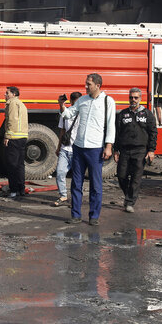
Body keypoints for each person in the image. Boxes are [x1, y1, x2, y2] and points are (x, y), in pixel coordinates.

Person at [59, 73, 116, 225]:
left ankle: (94, 216)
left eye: (89, 84)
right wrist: (62, 105)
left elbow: (111, 125)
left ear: (98, 85)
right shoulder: (82, 100)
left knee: (95, 185)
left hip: (95, 148)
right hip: (78, 147)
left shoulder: (107, 101)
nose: (86, 86)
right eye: (85, 83)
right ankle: (76, 215)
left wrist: (108, 146)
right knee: (76, 182)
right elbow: (69, 114)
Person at [113, 87, 157, 213]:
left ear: (140, 99)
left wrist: (151, 150)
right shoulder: (123, 114)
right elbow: (117, 132)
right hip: (124, 150)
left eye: (136, 97)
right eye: (131, 97)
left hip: (140, 151)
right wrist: (116, 150)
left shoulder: (148, 114)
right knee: (121, 176)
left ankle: (130, 202)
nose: (133, 100)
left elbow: (153, 132)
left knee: (136, 178)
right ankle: (128, 195)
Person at [52, 91, 82, 207]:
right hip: (65, 148)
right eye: (73, 101)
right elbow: (62, 131)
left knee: (76, 176)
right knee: (60, 172)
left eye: (77, 101)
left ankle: (75, 199)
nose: (75, 104)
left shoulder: (83, 114)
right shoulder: (65, 114)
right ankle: (63, 195)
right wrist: (59, 147)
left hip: (77, 149)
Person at [3, 86, 28, 199]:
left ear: (13, 94)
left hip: (14, 138)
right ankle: (21, 189)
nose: (5, 95)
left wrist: (7, 136)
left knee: (12, 165)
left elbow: (12, 120)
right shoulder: (21, 104)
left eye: (7, 93)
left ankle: (13, 190)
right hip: (22, 137)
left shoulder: (12, 103)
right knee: (19, 165)